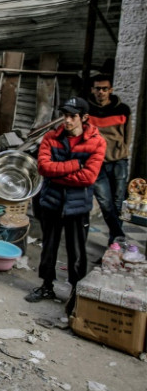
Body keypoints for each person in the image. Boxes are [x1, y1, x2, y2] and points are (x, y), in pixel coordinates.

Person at [25, 97, 106, 315]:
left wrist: (58, 173)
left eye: (73, 116)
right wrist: (75, 165)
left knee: (76, 251)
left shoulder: (97, 141)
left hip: (78, 206)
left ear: (84, 118)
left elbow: (89, 177)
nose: (67, 120)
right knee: (48, 247)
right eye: (65, 115)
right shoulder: (52, 138)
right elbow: (43, 167)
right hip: (52, 202)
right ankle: (46, 286)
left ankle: (75, 292)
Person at [86, 75, 131, 244]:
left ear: (110, 90)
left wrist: (123, 151)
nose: (101, 92)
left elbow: (127, 134)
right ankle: (119, 235)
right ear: (93, 90)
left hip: (118, 160)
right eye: (98, 88)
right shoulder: (87, 109)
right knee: (105, 202)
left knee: (118, 201)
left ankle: (113, 244)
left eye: (105, 89)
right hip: (96, 162)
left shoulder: (122, 109)